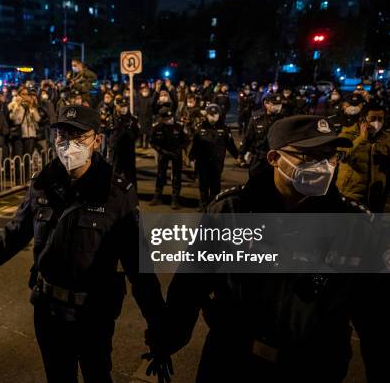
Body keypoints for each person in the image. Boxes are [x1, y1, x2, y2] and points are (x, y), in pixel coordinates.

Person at [0, 105, 172, 383]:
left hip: (93, 314)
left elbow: (139, 267)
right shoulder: (43, 184)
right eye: (62, 136)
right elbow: (15, 234)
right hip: (48, 309)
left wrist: (159, 329)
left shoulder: (116, 195)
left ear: (97, 141)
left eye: (79, 137)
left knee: (97, 375)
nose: (69, 145)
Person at [166, 115, 390, 382]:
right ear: (274, 158)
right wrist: (167, 338)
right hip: (233, 362)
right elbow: (192, 281)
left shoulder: (355, 225)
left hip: (315, 368)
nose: (324, 167)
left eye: (330, 156)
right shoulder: (232, 210)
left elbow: (375, 315)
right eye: (308, 156)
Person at [336, 103, 390, 212]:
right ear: (363, 119)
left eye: (380, 119)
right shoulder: (347, 134)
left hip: (377, 196)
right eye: (373, 118)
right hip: (351, 195)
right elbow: (341, 157)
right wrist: (361, 139)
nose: (377, 123)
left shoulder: (387, 138)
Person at [190, 103, 239, 211]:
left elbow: (230, 145)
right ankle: (203, 204)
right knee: (203, 183)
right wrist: (191, 157)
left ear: (219, 115)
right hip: (202, 161)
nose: (213, 117)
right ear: (206, 115)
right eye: (211, 114)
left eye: (215, 114)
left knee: (215, 184)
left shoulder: (224, 128)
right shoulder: (200, 127)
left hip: (217, 162)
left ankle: (213, 205)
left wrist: (238, 156)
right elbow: (195, 145)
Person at [150, 107, 188, 209]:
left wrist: (179, 150)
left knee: (176, 177)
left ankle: (175, 200)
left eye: (171, 117)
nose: (170, 120)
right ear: (161, 119)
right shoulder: (157, 128)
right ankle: (157, 197)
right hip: (163, 153)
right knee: (160, 175)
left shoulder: (179, 126)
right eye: (167, 119)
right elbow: (152, 142)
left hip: (176, 154)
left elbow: (185, 140)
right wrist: (161, 151)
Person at [239, 93, 284, 176]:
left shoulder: (283, 119)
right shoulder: (257, 119)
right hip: (259, 158)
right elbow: (248, 137)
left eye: (279, 104)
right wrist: (241, 154)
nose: (278, 106)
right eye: (275, 104)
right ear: (266, 104)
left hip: (276, 159)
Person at [108, 96, 140, 188]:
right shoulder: (112, 119)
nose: (123, 108)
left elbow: (137, 134)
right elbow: (108, 135)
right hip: (115, 153)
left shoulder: (133, 119)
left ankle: (133, 197)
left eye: (125, 106)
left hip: (128, 152)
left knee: (130, 176)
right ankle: (113, 197)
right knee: (114, 175)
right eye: (121, 106)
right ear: (116, 106)